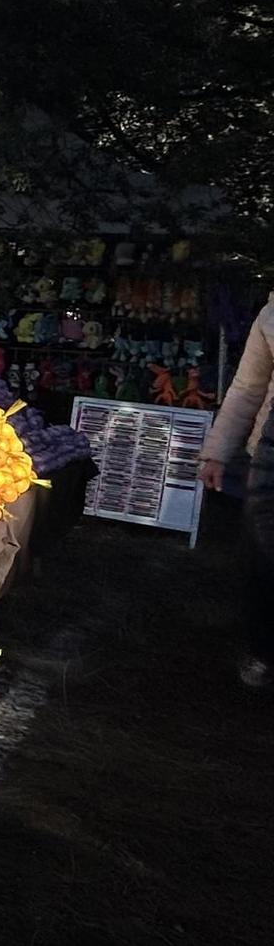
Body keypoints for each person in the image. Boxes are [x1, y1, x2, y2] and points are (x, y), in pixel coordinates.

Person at [198, 292, 274, 689]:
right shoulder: (272, 312)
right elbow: (247, 388)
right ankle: (263, 653)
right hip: (269, 455)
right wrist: (217, 453)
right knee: (262, 558)